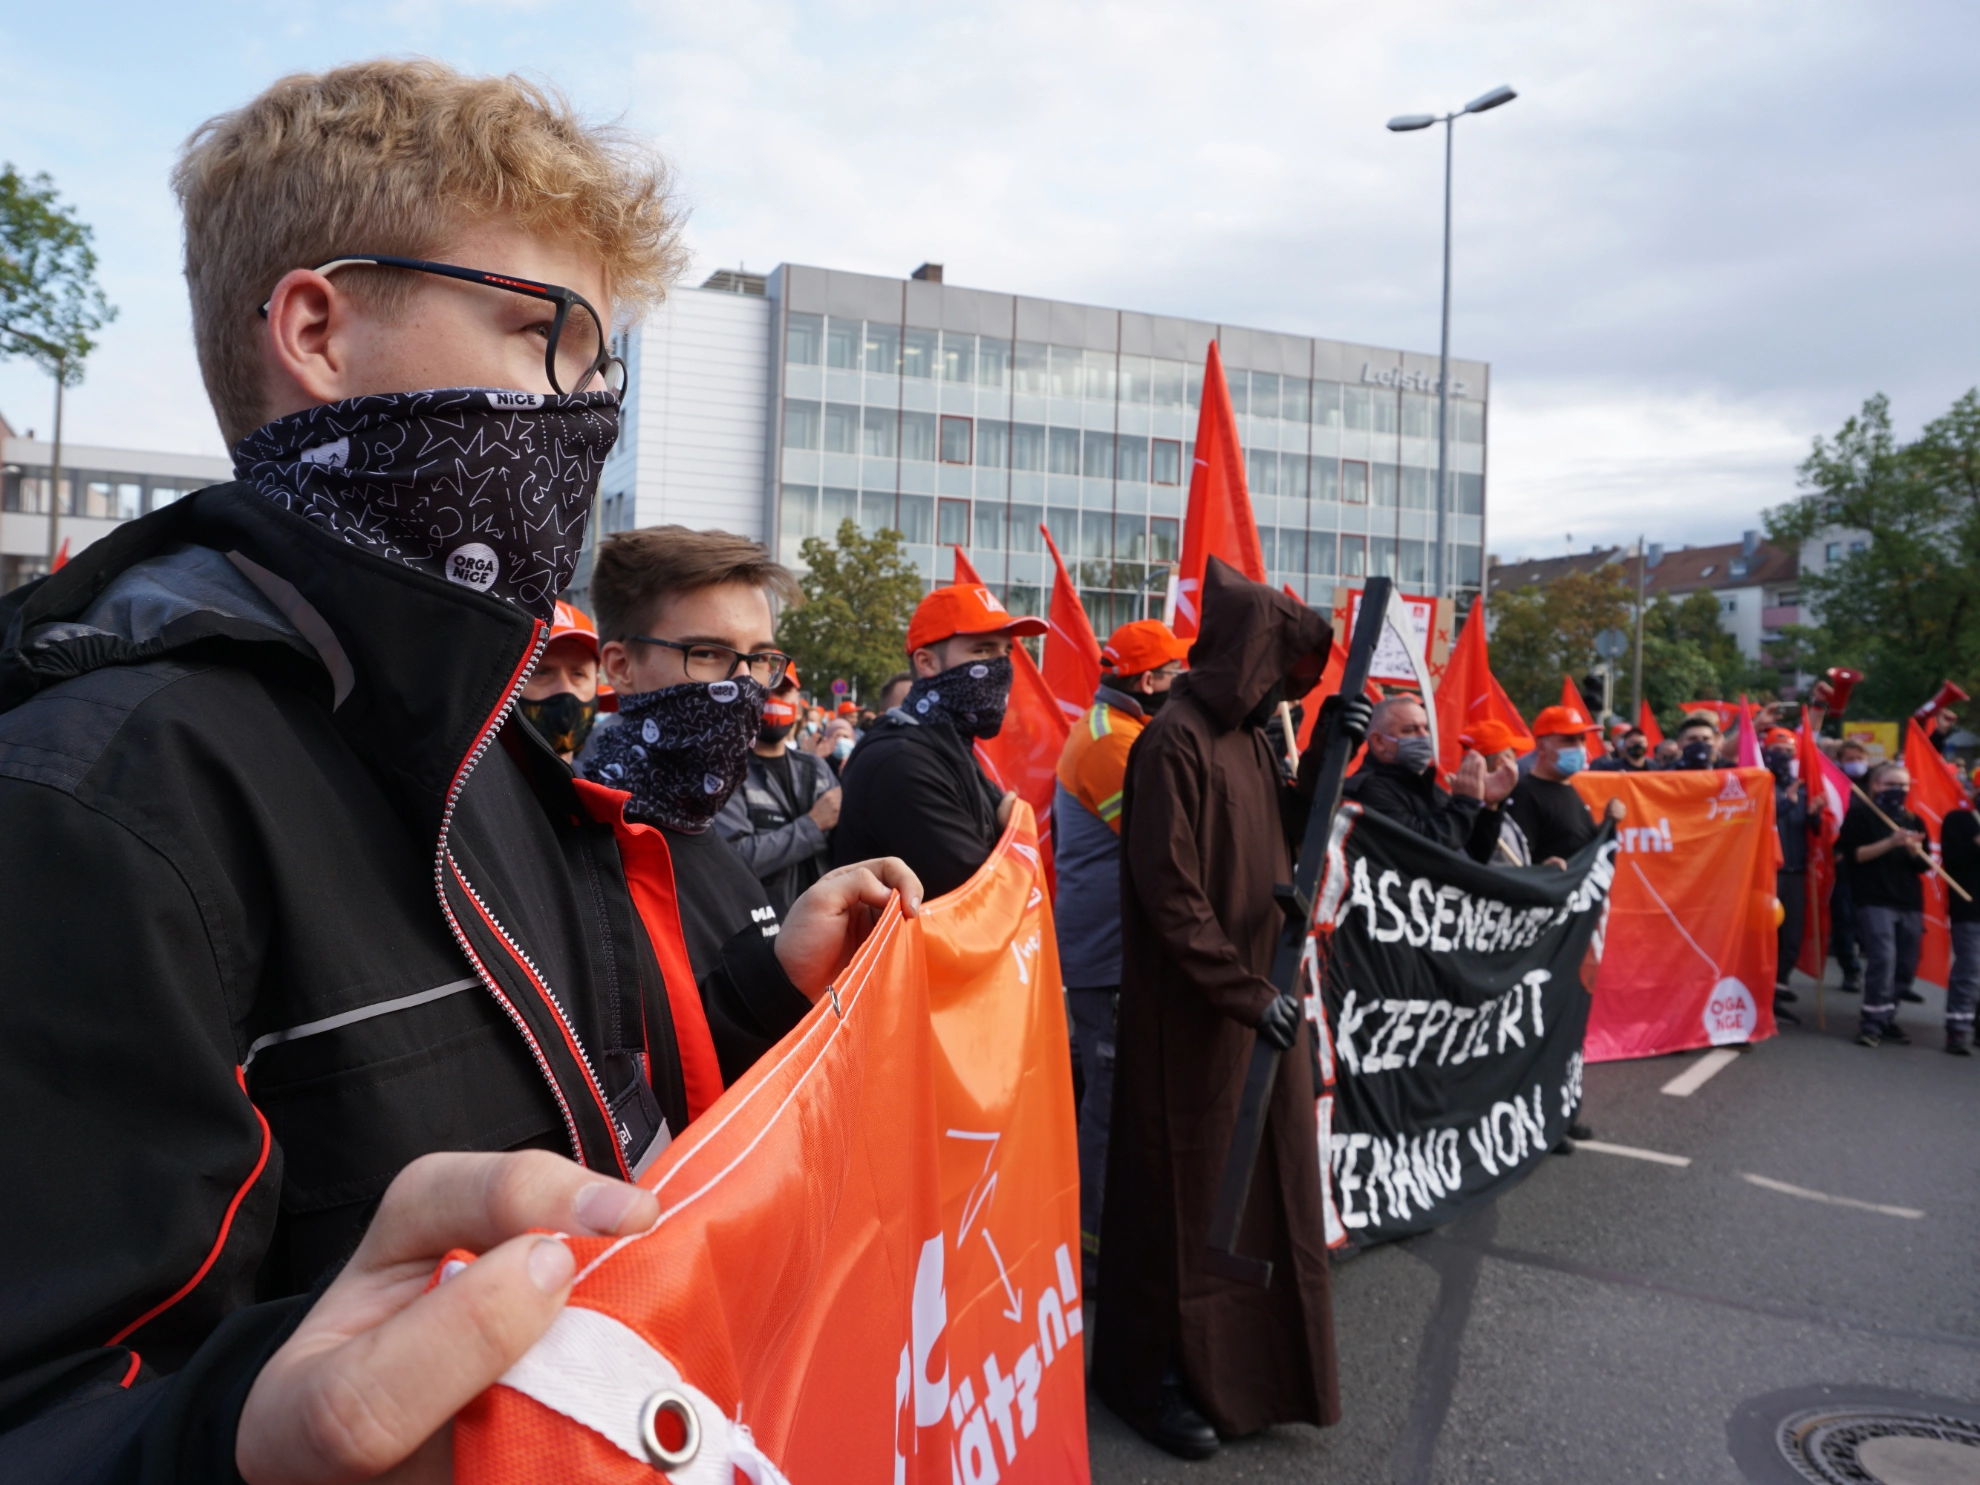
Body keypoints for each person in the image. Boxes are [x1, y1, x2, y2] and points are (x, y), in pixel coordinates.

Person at [0, 62, 923, 1482]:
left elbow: (594, 1109)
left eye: (601, 362)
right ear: (316, 326)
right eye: (535, 332)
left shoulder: (486, 745)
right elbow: (53, 1396)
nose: (585, 410)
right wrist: (241, 1439)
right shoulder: (102, 802)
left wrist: (755, 988)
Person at [1095, 558, 1339, 1461]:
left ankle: (1253, 1367)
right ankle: (1147, 1376)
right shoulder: (1174, 742)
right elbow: (1170, 894)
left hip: (1255, 1007)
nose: (1282, 687)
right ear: (1244, 657)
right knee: (1178, 1198)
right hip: (1196, 1018)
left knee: (1258, 1192)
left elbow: (1279, 839)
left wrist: (1322, 760)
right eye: (1276, 668)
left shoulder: (1249, 739)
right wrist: (1244, 992)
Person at [1051, 618, 1189, 1289]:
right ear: (1148, 680)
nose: (1183, 685)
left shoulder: (1126, 731)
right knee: (1107, 1101)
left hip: (1117, 948)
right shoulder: (1112, 743)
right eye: (1175, 675)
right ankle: (1092, 1249)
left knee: (1120, 1095)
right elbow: (1165, 838)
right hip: (1108, 954)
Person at [832, 583, 1046, 898]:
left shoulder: (947, 745)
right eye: (983, 650)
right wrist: (1018, 833)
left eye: (1007, 652)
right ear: (927, 663)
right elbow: (990, 899)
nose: (1002, 667)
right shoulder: (901, 762)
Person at [713, 668, 842, 915]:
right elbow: (735, 860)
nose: (773, 700)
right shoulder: (727, 772)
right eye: (764, 690)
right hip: (763, 926)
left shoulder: (815, 767)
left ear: (797, 700)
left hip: (826, 920)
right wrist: (812, 827)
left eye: (783, 691)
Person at [1343, 695, 1514, 861]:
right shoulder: (1370, 790)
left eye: (1426, 728)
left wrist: (1489, 808)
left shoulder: (1426, 784)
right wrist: (1465, 802)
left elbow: (1475, 854)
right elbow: (1427, 852)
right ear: (1379, 741)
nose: (1423, 736)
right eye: (1410, 730)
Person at [1840, 761, 1931, 1047]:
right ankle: (1871, 1023)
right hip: (1874, 898)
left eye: (1903, 785)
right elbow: (1855, 856)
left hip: (1909, 901)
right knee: (1883, 958)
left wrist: (1915, 852)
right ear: (1876, 785)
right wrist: (1890, 843)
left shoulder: (1914, 819)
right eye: (1892, 784)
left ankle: (1888, 1014)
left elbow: (1923, 866)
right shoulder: (1860, 815)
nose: (1898, 790)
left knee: (1906, 964)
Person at [1507, 704, 1626, 867]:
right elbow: (1514, 861)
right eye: (1568, 740)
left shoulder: (1566, 786)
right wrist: (1542, 869)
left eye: (1582, 739)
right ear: (1542, 747)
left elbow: (1577, 842)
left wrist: (1607, 822)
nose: (1579, 747)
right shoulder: (1524, 794)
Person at [1764, 727, 1817, 1024]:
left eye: (1788, 752)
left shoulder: (1804, 787)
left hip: (1797, 872)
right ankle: (1762, 993)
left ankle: (1779, 987)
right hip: (1770, 872)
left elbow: (1816, 832)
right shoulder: (1760, 785)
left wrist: (1816, 815)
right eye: (1777, 750)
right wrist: (1786, 804)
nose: (1782, 756)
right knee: (1766, 934)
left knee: (1792, 936)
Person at [518, 599, 604, 761]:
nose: (566, 689)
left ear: (596, 684)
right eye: (542, 673)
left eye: (578, 674)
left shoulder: (614, 778)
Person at [1827, 737, 1873, 993]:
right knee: (1844, 917)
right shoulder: (1835, 785)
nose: (1856, 764)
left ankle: (1889, 976)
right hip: (1844, 861)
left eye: (1860, 758)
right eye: (1849, 759)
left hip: (1875, 862)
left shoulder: (1877, 783)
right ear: (1840, 762)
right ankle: (1851, 971)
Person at [1941, 781, 1980, 1055]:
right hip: (1970, 907)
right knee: (1970, 967)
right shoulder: (1959, 821)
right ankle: (1958, 1028)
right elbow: (1952, 860)